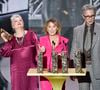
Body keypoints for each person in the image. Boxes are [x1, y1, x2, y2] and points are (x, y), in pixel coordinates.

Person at [0, 14, 39, 90]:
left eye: (20, 20)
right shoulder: (11, 39)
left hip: (31, 68)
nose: (18, 22)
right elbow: (5, 53)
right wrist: (6, 41)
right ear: (12, 25)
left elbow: (38, 50)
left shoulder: (31, 34)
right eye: (15, 21)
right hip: (17, 71)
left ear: (23, 23)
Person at [70, 4, 100, 90]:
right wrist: (73, 69)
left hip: (98, 66)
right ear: (83, 16)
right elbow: (73, 50)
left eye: (92, 16)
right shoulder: (77, 30)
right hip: (82, 67)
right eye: (87, 16)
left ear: (95, 15)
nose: (90, 18)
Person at [39, 18, 69, 90]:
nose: (51, 29)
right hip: (45, 72)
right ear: (46, 28)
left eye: (54, 26)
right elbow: (37, 57)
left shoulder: (63, 40)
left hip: (59, 72)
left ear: (57, 28)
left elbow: (67, 57)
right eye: (49, 27)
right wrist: (40, 52)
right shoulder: (42, 40)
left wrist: (62, 56)